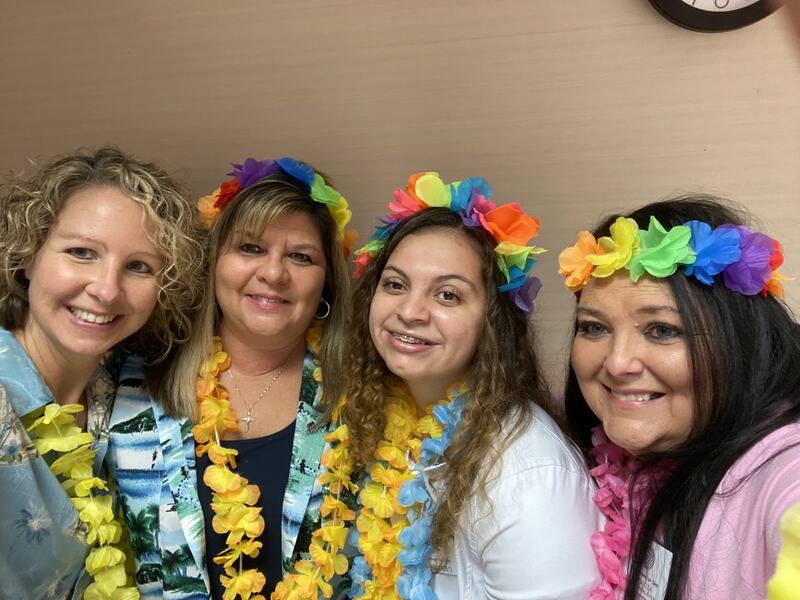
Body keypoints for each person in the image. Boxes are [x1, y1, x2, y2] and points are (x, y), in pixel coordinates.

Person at [325, 172, 601, 599]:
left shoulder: (527, 473)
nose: (410, 311)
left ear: (492, 321)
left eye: (448, 295)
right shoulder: (378, 416)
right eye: (395, 284)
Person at [108, 157, 353, 599]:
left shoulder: (362, 397)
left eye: (300, 256)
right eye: (250, 248)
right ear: (214, 262)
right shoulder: (128, 377)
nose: (273, 273)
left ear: (327, 283)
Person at [559, 196, 800, 599]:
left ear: (737, 342)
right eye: (595, 328)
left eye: (662, 330)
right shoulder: (626, 461)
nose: (617, 363)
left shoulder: (783, 468)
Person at [0, 146, 205, 600]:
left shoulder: (126, 397)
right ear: (28, 254)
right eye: (81, 252)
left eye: (138, 267)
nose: (107, 290)